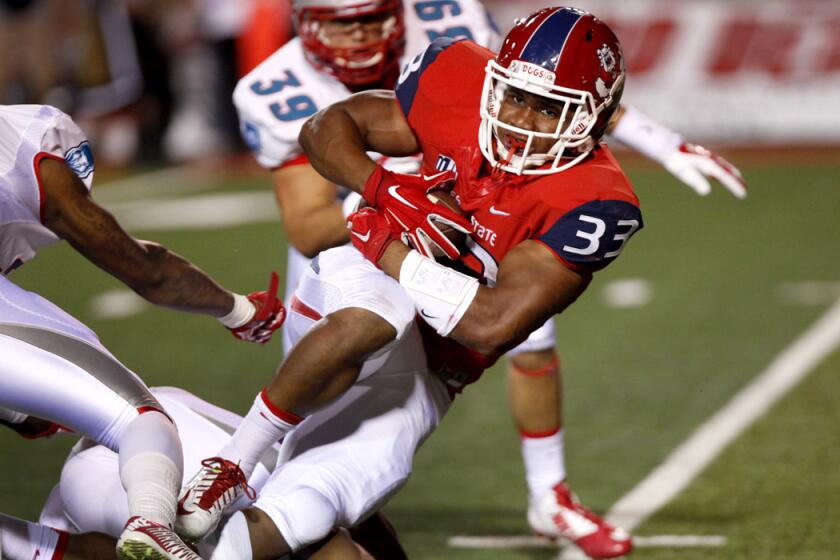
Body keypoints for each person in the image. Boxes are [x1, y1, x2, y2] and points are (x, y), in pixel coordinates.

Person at [233, 0, 747, 551]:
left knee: (336, 482)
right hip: (359, 242)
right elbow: (312, 223)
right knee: (354, 353)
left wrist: (659, 140)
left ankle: (549, 496)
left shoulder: (588, 194)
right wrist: (387, 200)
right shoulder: (291, 86)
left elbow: (565, 90)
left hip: (433, 240)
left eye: (369, 18)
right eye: (340, 23)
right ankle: (232, 464)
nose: (356, 37)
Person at [0, 104, 285, 560]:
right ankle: (151, 524)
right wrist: (239, 310)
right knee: (140, 419)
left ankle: (41, 550)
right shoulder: (30, 142)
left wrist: (14, 412)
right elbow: (145, 269)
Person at [0, 386, 400, 560]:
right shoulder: (292, 512)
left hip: (164, 422)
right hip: (126, 463)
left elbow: (353, 507)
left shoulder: (308, 505)